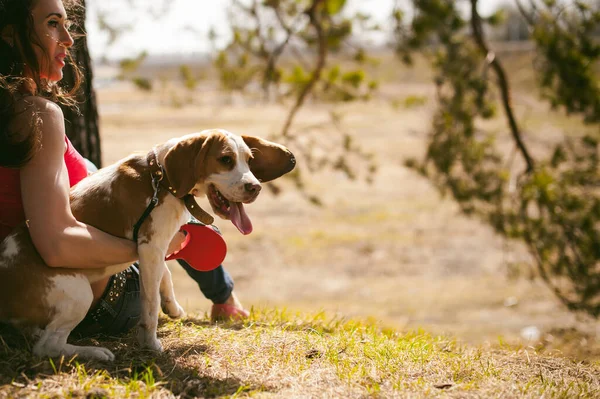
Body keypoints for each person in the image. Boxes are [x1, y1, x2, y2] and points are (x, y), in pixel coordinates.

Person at [0, 0, 248, 336]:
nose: (68, 40)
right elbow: (56, 244)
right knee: (176, 205)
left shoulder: (15, 110)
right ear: (12, 35)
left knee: (151, 185)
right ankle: (224, 296)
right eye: (52, 23)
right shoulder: (38, 115)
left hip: (43, 271)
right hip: (88, 292)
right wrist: (150, 248)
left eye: (66, 24)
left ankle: (218, 289)